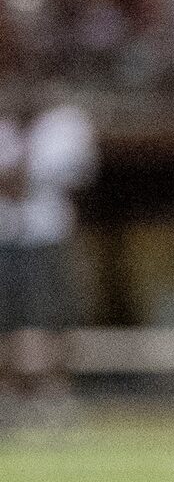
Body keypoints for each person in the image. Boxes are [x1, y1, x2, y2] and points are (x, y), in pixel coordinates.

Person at [0, 68, 98, 423]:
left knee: (54, 317)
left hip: (48, 235)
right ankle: (10, 394)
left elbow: (39, 179)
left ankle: (54, 393)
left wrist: (21, 170)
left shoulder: (66, 124)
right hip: (6, 237)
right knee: (7, 321)